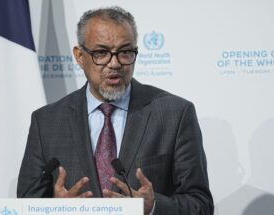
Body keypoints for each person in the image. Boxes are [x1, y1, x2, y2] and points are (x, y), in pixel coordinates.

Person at [17, 6, 213, 215]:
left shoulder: (175, 114)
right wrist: (54, 209)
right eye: (101, 53)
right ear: (80, 56)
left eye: (125, 52)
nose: (115, 63)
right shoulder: (47, 122)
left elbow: (200, 205)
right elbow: (25, 202)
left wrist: (153, 206)